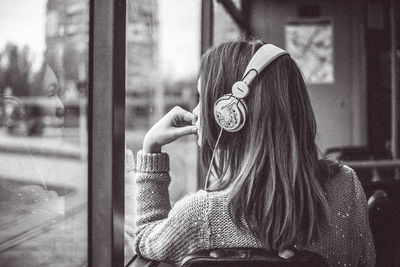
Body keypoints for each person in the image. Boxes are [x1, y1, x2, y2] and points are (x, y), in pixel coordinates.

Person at [129, 40, 375, 266]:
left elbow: (145, 237)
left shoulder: (201, 214)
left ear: (229, 113)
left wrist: (151, 148)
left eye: (202, 98)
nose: (195, 112)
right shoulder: (347, 186)